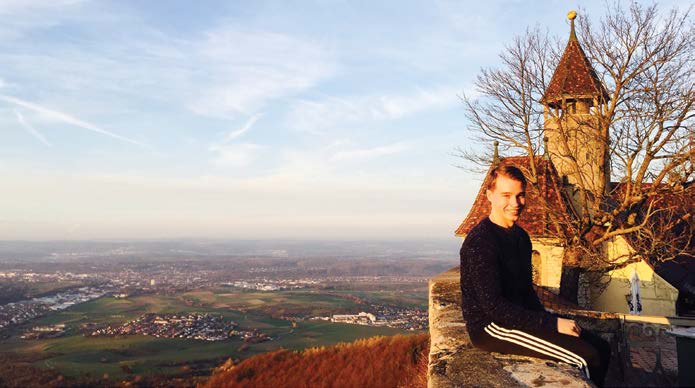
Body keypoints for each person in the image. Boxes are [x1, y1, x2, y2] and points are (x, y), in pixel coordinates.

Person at [459, 165, 611, 386]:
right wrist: (550, 323)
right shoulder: (481, 242)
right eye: (506, 195)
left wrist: (548, 323)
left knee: (601, 348)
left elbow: (526, 290)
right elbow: (493, 307)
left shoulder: (521, 237)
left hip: (518, 316)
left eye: (520, 195)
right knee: (586, 357)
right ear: (490, 196)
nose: (515, 203)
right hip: (491, 327)